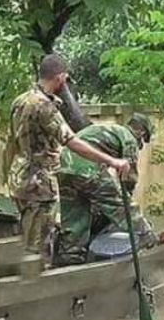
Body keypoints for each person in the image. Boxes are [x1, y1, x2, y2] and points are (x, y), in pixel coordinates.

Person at [9, 54, 130, 270]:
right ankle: (37, 292)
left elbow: (14, 142)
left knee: (27, 239)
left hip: (18, 178)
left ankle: (25, 281)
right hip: (40, 183)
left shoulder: (19, 101)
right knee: (40, 247)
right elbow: (72, 141)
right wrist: (112, 161)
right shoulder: (44, 106)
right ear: (60, 78)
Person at [56, 114, 158, 266]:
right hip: (87, 169)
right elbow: (129, 178)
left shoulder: (107, 128)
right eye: (142, 141)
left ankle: (71, 255)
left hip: (64, 169)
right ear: (141, 132)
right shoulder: (128, 137)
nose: (140, 145)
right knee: (122, 206)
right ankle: (147, 236)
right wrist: (124, 201)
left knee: (75, 215)